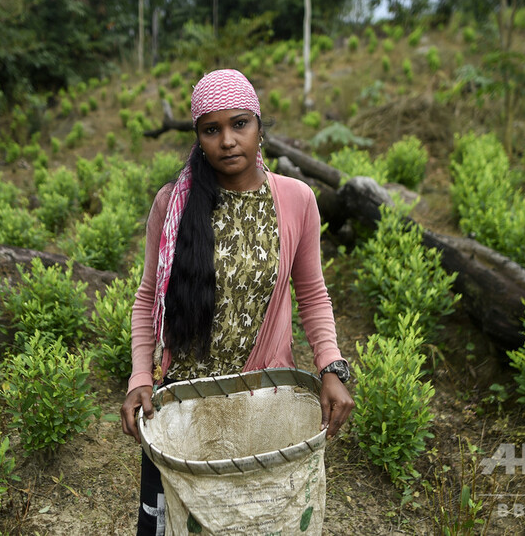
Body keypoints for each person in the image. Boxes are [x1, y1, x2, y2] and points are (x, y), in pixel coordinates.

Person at [120, 68, 354, 535]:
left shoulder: (296, 200)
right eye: (212, 129)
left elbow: (312, 292)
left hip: (259, 403)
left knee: (255, 520)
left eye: (239, 124)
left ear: (260, 127)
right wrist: (139, 375)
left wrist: (331, 366)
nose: (228, 140)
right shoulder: (174, 205)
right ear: (198, 138)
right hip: (183, 406)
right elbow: (149, 297)